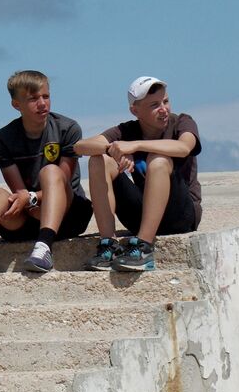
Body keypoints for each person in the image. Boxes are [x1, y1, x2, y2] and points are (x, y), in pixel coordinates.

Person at [0, 70, 91, 274]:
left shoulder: (67, 129)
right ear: (16, 105)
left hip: (68, 214)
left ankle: (44, 248)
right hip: (27, 214)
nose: (42, 103)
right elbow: (19, 192)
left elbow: (63, 180)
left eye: (46, 96)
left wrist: (33, 198)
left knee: (51, 172)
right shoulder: (2, 140)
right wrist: (28, 200)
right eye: (33, 99)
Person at [75, 76, 203, 271]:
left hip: (181, 215)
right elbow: (80, 146)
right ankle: (108, 245)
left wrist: (135, 146)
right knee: (98, 160)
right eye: (154, 105)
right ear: (135, 111)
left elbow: (184, 147)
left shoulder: (182, 122)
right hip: (142, 215)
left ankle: (144, 247)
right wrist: (114, 150)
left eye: (165, 101)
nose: (164, 109)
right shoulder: (127, 130)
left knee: (158, 160)